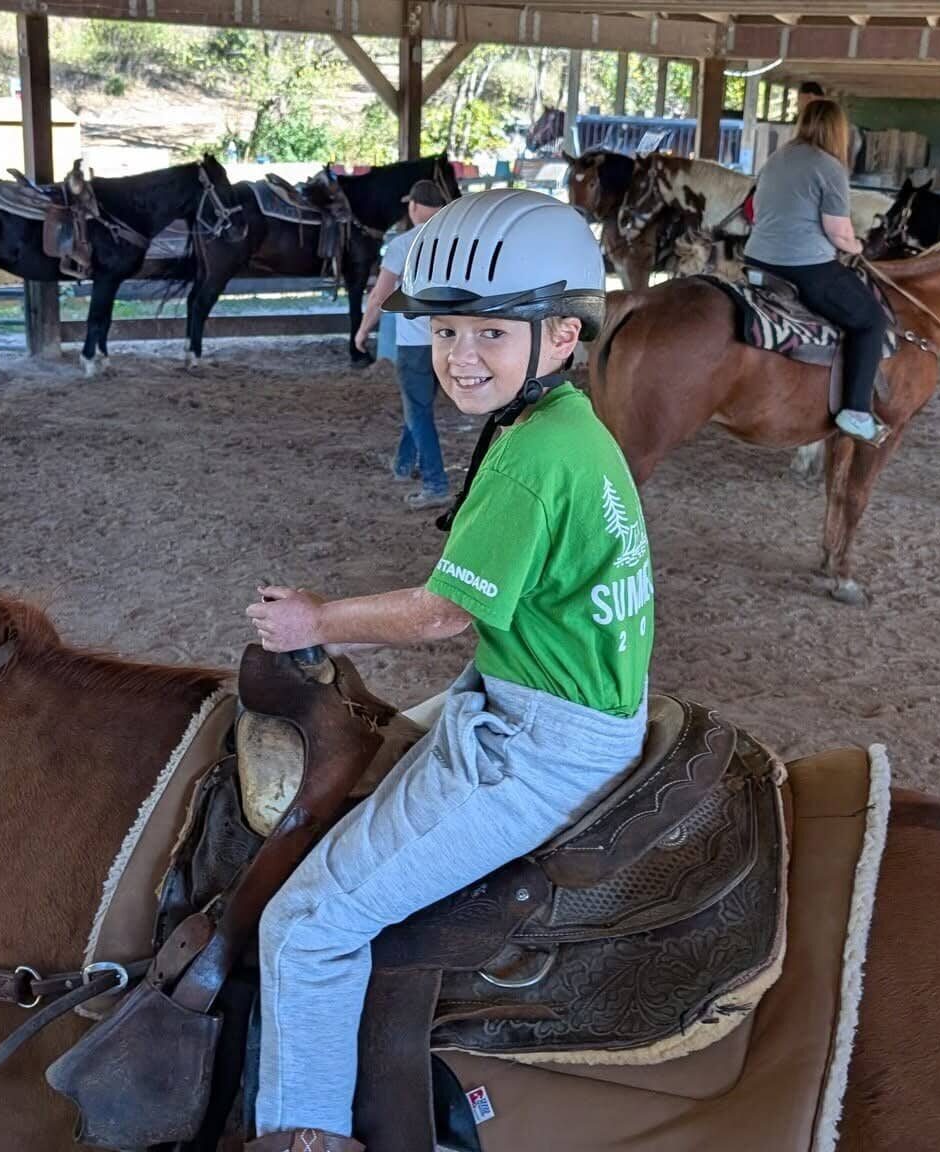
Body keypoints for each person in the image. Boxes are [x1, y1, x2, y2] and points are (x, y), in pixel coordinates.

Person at [244, 189, 656, 1152]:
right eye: (446, 331)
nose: (460, 357)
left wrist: (315, 616)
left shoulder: (526, 462)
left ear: (560, 335)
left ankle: (303, 1135)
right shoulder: (567, 429)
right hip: (556, 697)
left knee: (306, 930)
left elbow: (441, 612)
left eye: (489, 334)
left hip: (542, 741)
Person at [744, 98, 889, 444]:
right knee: (871, 320)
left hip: (757, 261)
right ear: (839, 131)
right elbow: (838, 231)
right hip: (803, 268)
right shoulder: (829, 167)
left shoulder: (776, 159)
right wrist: (858, 247)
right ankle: (855, 412)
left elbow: (753, 211)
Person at [354, 178, 451, 510]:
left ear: (413, 207)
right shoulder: (457, 242)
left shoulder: (402, 245)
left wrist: (363, 330)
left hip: (415, 343)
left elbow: (380, 295)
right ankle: (403, 464)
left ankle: (436, 484)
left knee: (419, 411)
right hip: (450, 341)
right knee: (420, 406)